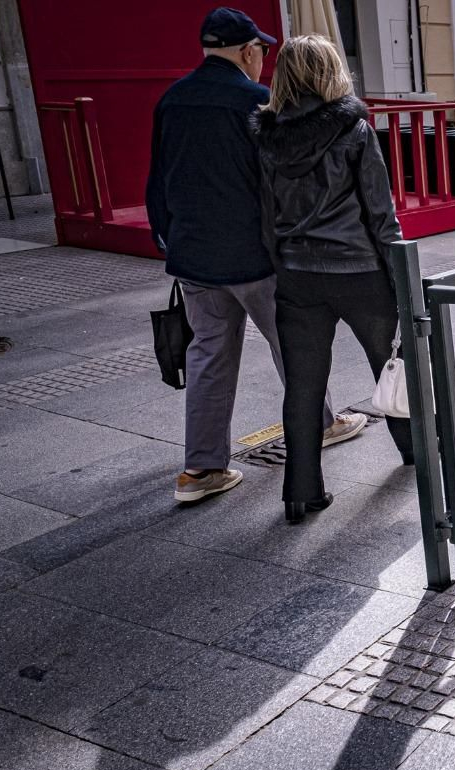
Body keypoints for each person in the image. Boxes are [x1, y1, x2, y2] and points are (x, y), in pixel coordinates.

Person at [147, 6, 363, 505]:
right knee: (293, 346)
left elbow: (158, 179)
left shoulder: (172, 100)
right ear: (247, 51)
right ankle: (323, 424)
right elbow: (282, 182)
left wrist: (168, 237)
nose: (261, 59)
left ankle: (200, 470)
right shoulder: (258, 102)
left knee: (207, 357)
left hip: (194, 255)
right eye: (260, 51)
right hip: (257, 255)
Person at [251, 35, 411, 525]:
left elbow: (266, 216)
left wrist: (284, 267)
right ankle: (418, 457)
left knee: (302, 386)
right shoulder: (355, 131)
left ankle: (301, 493)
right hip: (360, 271)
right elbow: (382, 217)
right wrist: (403, 281)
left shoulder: (267, 137)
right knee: (393, 367)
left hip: (298, 276)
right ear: (330, 72)